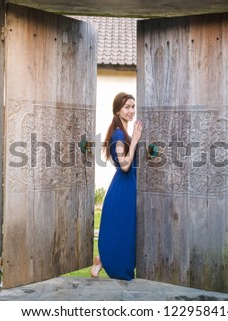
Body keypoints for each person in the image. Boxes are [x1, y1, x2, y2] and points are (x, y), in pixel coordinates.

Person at [91, 92, 143, 280]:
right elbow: (125, 165)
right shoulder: (119, 134)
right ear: (118, 110)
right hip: (123, 188)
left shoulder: (122, 131)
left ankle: (101, 260)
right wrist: (136, 140)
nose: (131, 110)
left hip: (126, 187)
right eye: (127, 107)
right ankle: (108, 262)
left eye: (133, 107)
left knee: (123, 231)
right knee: (124, 231)